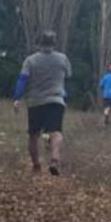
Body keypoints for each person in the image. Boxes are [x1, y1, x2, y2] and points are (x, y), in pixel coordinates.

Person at [14, 30, 71, 175]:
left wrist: (17, 98)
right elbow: (68, 76)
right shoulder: (63, 59)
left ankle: (36, 165)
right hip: (56, 100)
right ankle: (54, 159)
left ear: (39, 43)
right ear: (54, 43)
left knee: (33, 134)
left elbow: (22, 79)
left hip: (35, 102)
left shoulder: (30, 60)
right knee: (56, 132)